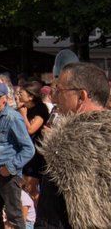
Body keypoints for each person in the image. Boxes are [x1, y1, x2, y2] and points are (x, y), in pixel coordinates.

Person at [35, 62, 110, 229]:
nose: (54, 99)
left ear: (81, 97)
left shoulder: (62, 146)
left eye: (59, 91)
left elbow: (49, 222)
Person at [0, 82, 34, 229]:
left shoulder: (13, 117)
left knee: (14, 217)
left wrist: (10, 167)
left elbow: (29, 148)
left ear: (5, 98)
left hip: (8, 176)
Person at [17, 81, 49, 201]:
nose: (18, 95)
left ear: (31, 96)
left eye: (21, 93)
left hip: (36, 152)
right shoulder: (22, 109)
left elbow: (31, 129)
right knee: (24, 185)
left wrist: (24, 115)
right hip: (24, 151)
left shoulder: (40, 109)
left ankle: (38, 213)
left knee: (32, 187)